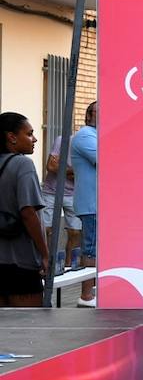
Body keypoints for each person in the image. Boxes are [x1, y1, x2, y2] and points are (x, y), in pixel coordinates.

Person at [0, 113, 48, 307]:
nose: (34, 139)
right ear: (11, 137)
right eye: (29, 134)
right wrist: (45, 254)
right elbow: (28, 213)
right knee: (28, 329)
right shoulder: (23, 164)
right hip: (21, 262)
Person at [39, 129, 80, 275]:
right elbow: (50, 166)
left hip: (73, 193)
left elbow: (82, 173)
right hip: (51, 191)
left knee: (75, 231)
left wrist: (62, 168)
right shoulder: (62, 140)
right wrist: (73, 171)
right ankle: (46, 263)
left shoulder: (92, 147)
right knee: (46, 229)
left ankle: (68, 266)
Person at [70, 102, 98, 307]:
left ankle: (92, 292)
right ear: (89, 115)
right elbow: (107, 159)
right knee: (91, 250)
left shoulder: (96, 135)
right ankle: (86, 296)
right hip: (92, 204)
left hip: (97, 203)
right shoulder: (85, 135)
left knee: (96, 249)